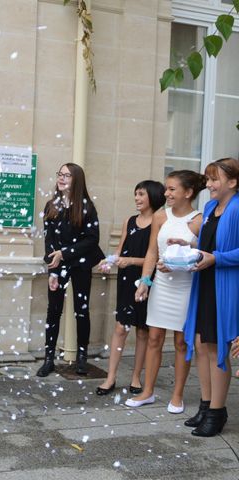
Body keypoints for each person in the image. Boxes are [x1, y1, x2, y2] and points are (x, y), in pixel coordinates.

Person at [126, 170, 206, 412]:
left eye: (172, 189)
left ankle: (177, 396)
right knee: (153, 338)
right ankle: (147, 391)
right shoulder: (160, 216)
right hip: (161, 285)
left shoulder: (200, 219)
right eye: (166, 188)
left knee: (182, 342)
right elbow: (152, 252)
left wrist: (181, 264)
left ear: (188, 192)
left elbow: (200, 257)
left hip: (185, 286)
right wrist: (145, 282)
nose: (166, 193)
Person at [183, 158, 239, 436]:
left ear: (233, 182)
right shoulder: (208, 208)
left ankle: (217, 412)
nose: (209, 185)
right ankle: (206, 404)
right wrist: (185, 247)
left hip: (226, 284)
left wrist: (216, 258)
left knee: (216, 346)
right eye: (208, 179)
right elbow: (205, 243)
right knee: (200, 343)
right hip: (204, 281)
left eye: (214, 179)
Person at [96, 180, 165, 396]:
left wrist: (132, 261)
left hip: (146, 280)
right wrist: (109, 261)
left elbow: (157, 256)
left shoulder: (160, 220)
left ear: (152, 196)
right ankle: (110, 377)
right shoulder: (130, 220)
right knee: (120, 328)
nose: (136, 198)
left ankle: (136, 377)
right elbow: (120, 249)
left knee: (143, 331)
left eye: (141, 194)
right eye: (135, 194)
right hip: (126, 279)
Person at [37, 163, 105, 377]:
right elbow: (49, 241)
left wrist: (64, 253)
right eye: (60, 174)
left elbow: (92, 240)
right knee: (53, 311)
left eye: (67, 175)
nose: (62, 178)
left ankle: (82, 358)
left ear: (77, 180)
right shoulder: (51, 206)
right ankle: (49, 359)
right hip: (58, 266)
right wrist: (53, 271)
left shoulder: (86, 207)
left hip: (81, 264)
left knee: (81, 310)